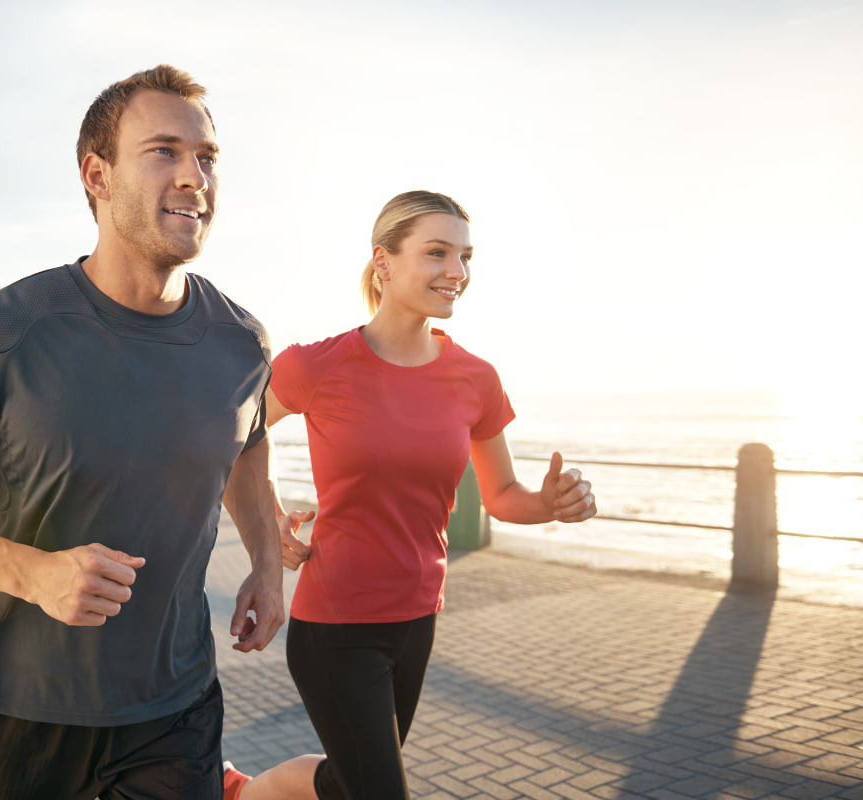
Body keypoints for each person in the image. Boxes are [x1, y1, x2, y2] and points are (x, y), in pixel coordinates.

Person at [0, 64, 285, 800]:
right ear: (97, 175)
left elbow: (249, 443)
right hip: (27, 712)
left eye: (207, 158)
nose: (194, 177)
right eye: (164, 152)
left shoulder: (242, 342)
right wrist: (31, 572)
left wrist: (267, 566)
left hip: (179, 708)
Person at [222, 190, 597, 800]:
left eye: (466, 256)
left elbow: (502, 494)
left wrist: (551, 503)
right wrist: (267, 524)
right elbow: (230, 442)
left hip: (417, 619)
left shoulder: (476, 378)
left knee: (349, 784)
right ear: (384, 262)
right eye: (438, 253)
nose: (458, 272)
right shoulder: (313, 366)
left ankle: (235, 792)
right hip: (336, 625)